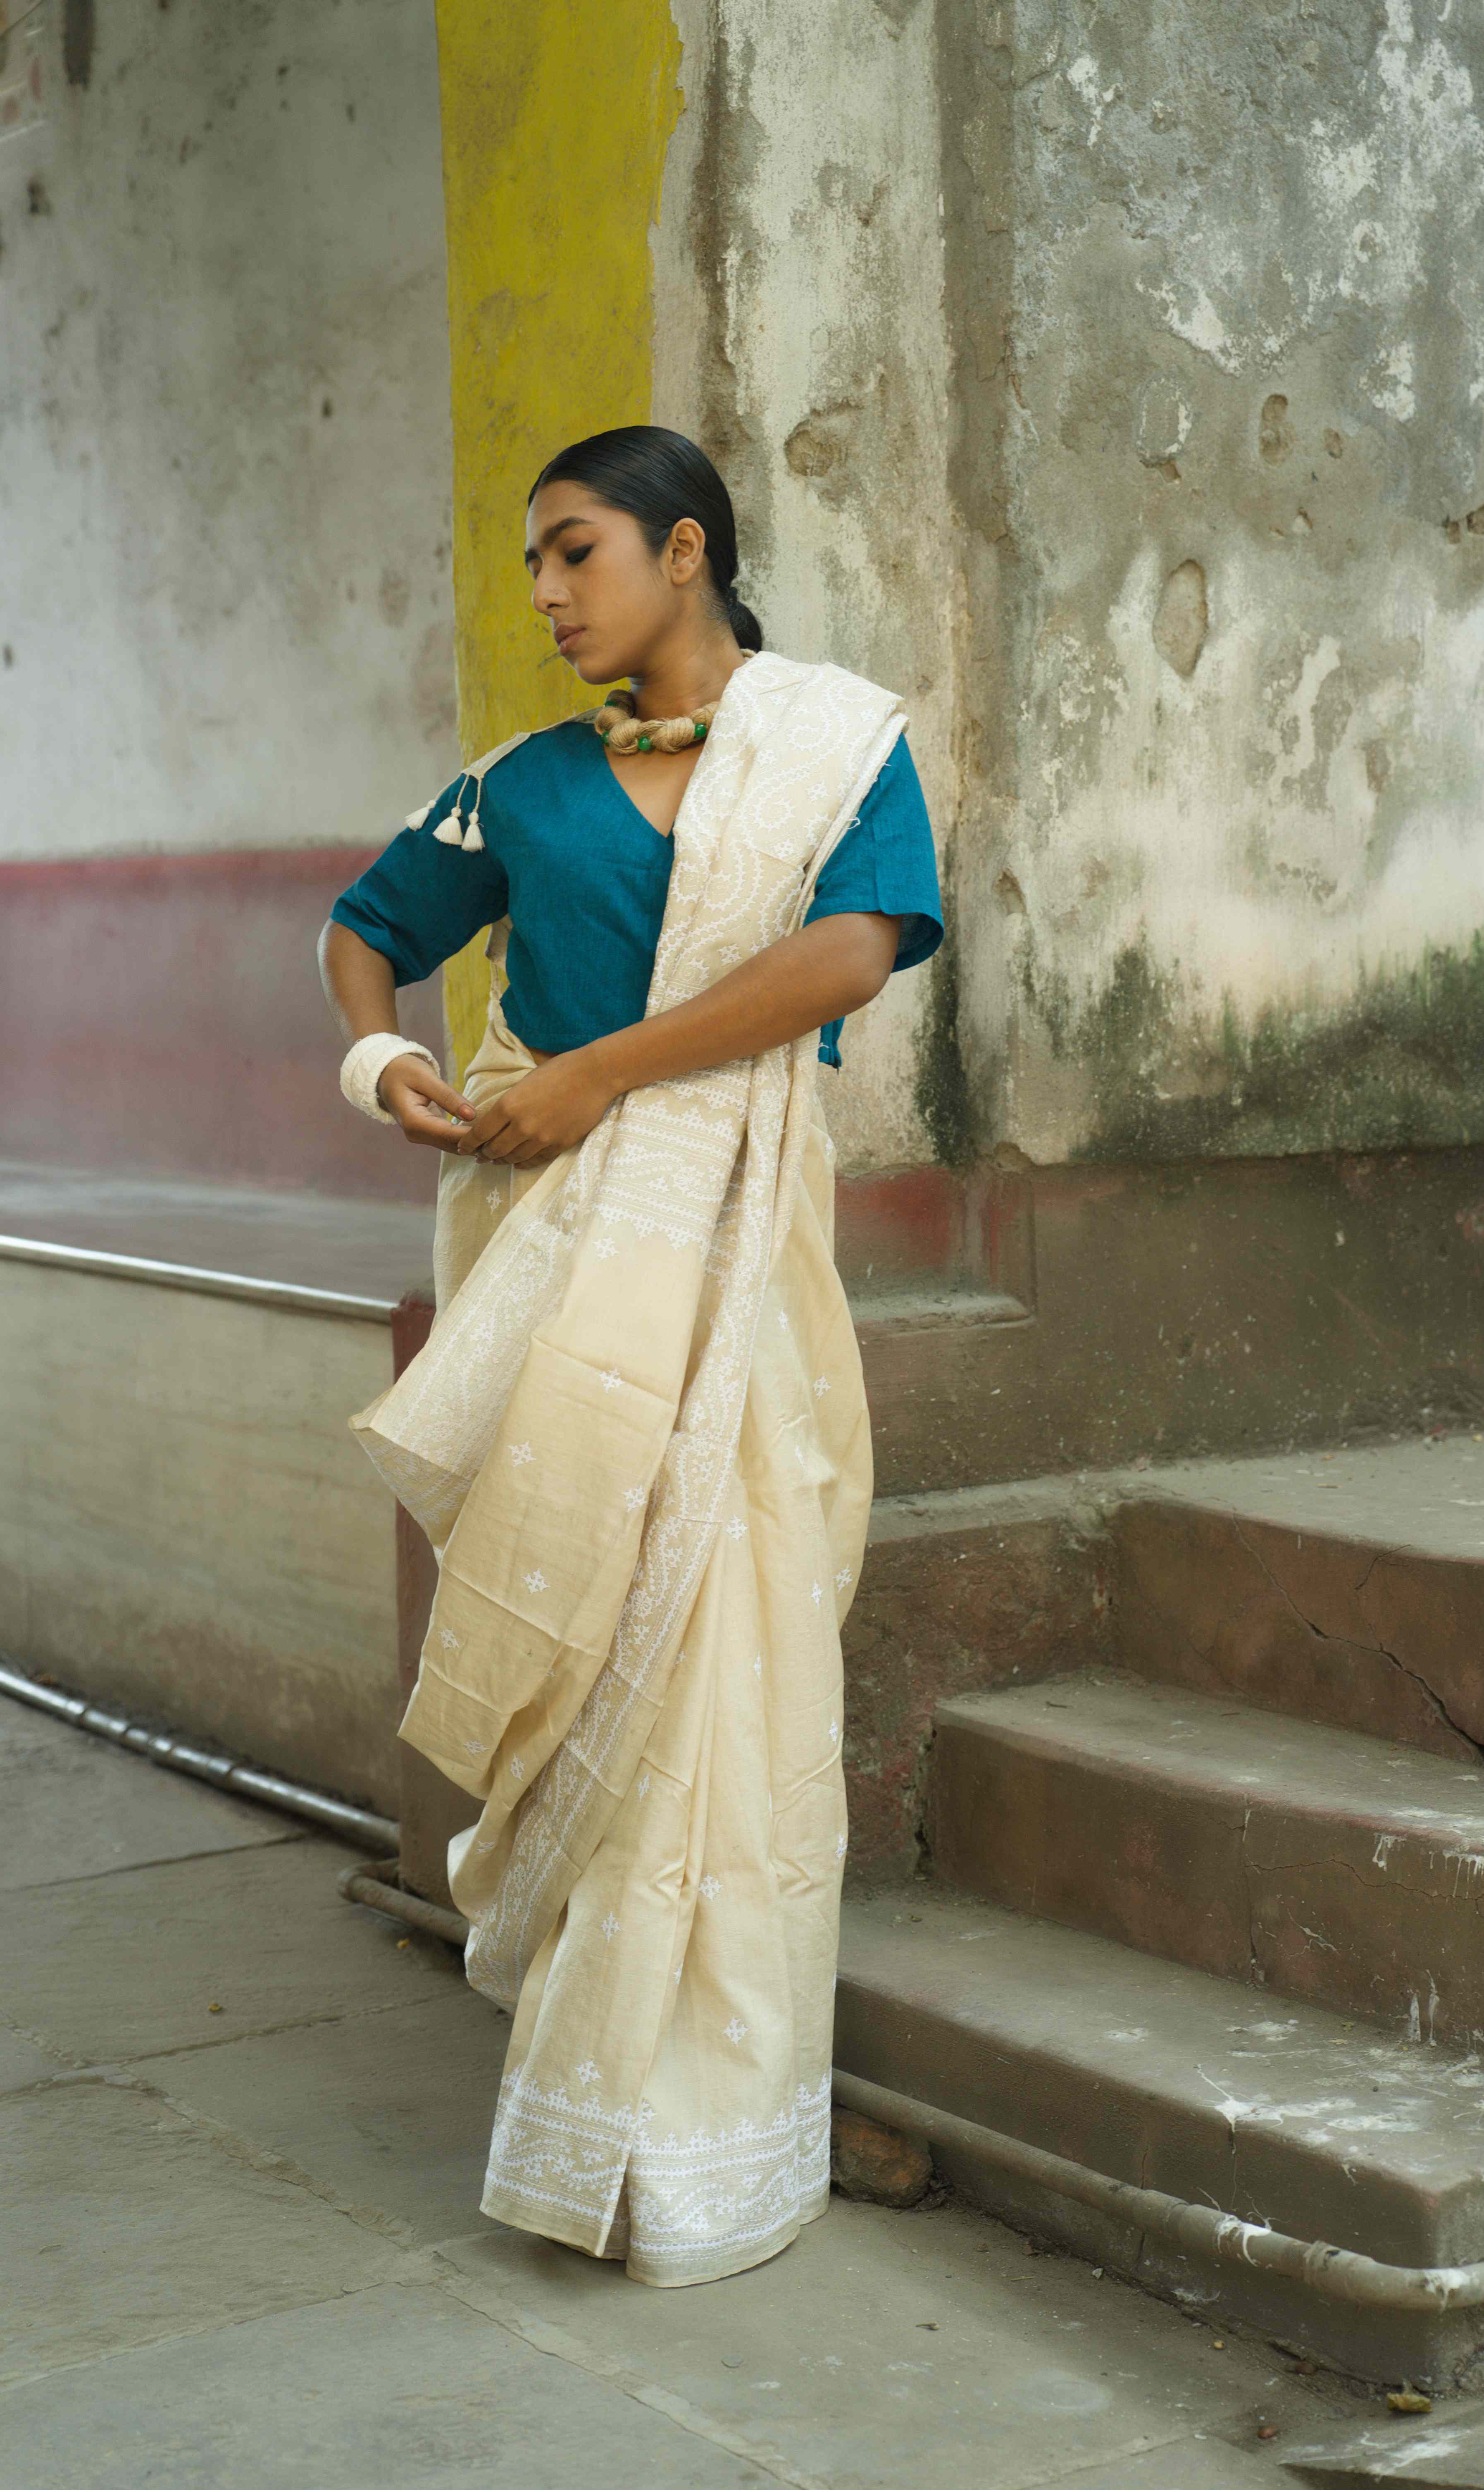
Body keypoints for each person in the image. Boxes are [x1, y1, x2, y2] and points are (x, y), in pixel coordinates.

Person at [318, 425, 942, 2288]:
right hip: (545, 1254)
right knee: (588, 1641)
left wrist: (600, 1075)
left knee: (719, 1650)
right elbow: (367, 937)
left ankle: (697, 2144)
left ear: (686, 551)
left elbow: (849, 955)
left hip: (728, 1242)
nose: (549, 594)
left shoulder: (834, 746)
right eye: (533, 565)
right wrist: (391, 1065)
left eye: (576, 552)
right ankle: (584, 2086)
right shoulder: (517, 789)